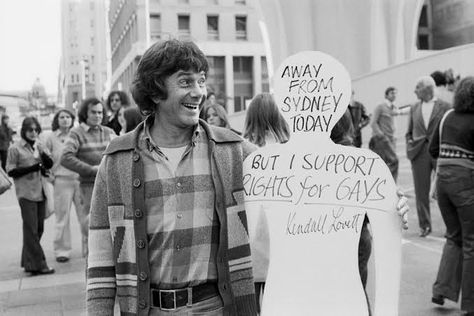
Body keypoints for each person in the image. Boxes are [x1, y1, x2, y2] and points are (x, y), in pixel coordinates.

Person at [86, 39, 258, 315]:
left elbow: (286, 176)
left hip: (217, 308)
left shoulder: (233, 151)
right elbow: (101, 260)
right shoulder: (117, 161)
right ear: (155, 91)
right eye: (186, 82)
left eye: (201, 81)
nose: (199, 92)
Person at [429, 76, 474, 316]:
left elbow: (432, 149)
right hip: (464, 182)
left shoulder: (447, 116)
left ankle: (441, 290)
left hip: (443, 183)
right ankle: (470, 304)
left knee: (453, 237)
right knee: (471, 242)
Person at [61, 98, 115, 257]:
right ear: (85, 113)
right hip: (88, 187)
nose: (98, 115)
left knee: (110, 230)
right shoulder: (76, 133)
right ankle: (91, 269)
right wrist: (92, 170)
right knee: (91, 231)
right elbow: (65, 157)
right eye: (93, 112)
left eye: (100, 112)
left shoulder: (109, 132)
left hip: (110, 187)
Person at [6, 116, 55, 275]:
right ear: (24, 131)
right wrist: (34, 167)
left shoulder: (40, 145)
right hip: (26, 193)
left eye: (36, 130)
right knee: (31, 230)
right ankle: (40, 264)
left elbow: (49, 164)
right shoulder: (15, 148)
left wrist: (42, 154)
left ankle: (28, 261)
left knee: (38, 229)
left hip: (41, 191)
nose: (33, 133)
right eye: (30, 130)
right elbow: (11, 171)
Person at [406, 76, 451, 237]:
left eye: (417, 87)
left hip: (439, 153)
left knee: (444, 190)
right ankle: (424, 225)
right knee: (421, 192)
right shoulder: (414, 107)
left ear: (427, 89)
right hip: (419, 154)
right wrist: (410, 146)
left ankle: (450, 226)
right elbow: (409, 132)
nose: (415, 91)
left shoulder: (445, 106)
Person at [45, 109, 83, 263]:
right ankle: (62, 250)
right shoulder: (51, 138)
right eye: (62, 117)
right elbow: (44, 159)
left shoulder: (77, 134)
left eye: (68, 117)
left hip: (80, 180)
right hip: (61, 181)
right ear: (57, 119)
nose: (65, 119)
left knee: (86, 216)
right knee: (62, 217)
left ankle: (89, 249)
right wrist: (51, 178)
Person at [369, 86, 400, 182]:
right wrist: (381, 136)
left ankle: (383, 184)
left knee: (384, 164)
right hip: (382, 140)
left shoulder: (393, 108)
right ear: (386, 95)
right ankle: (390, 185)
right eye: (392, 93)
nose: (394, 95)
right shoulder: (380, 106)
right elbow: (373, 123)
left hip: (391, 140)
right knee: (394, 161)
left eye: (395, 93)